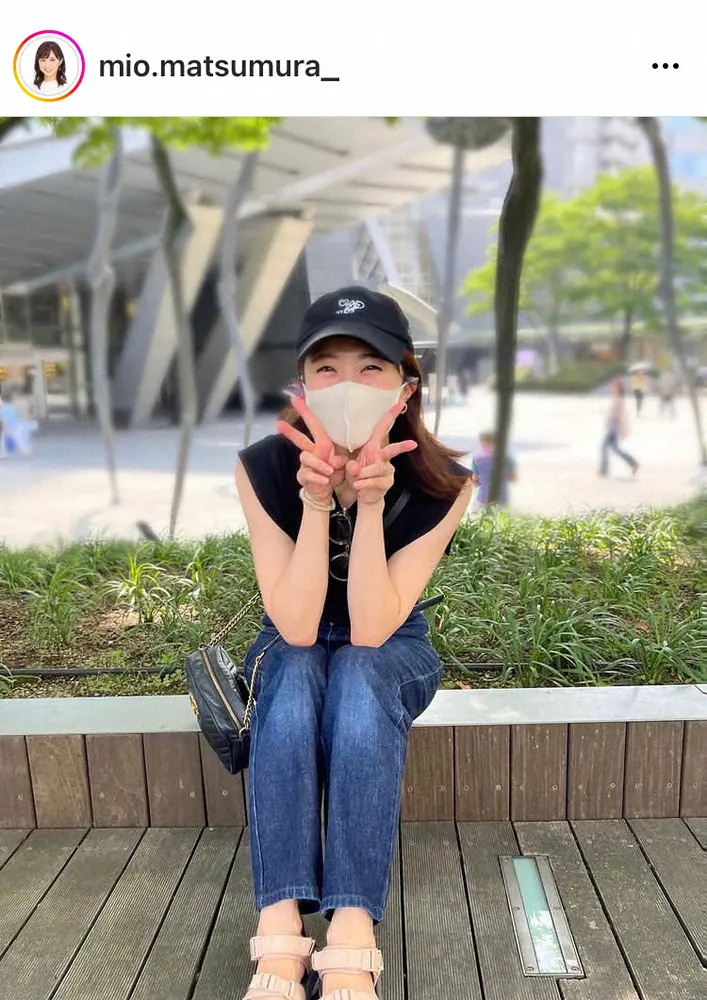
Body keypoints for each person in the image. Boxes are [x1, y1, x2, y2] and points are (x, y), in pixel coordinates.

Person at [235, 286, 472, 1000]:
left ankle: (351, 927)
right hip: (293, 637)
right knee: (296, 666)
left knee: (360, 673)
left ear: (404, 389)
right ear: (302, 387)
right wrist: (314, 501)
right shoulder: (262, 467)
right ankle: (279, 923)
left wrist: (370, 502)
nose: (348, 385)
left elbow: (372, 630)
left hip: (393, 643)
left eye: (370, 368)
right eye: (327, 368)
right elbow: (295, 626)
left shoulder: (444, 485)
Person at [599, 378, 639, 477]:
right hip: (613, 427)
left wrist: (621, 428)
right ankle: (633, 463)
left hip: (613, 428)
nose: (611, 389)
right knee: (615, 449)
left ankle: (604, 470)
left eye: (613, 387)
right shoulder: (617, 399)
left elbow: (620, 416)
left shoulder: (619, 400)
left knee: (603, 447)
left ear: (618, 388)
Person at [470, 430, 518, 511]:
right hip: (502, 497)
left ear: (483, 442)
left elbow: (475, 479)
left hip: (484, 496)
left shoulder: (477, 458)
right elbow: (513, 478)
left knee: (475, 513)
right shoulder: (507, 457)